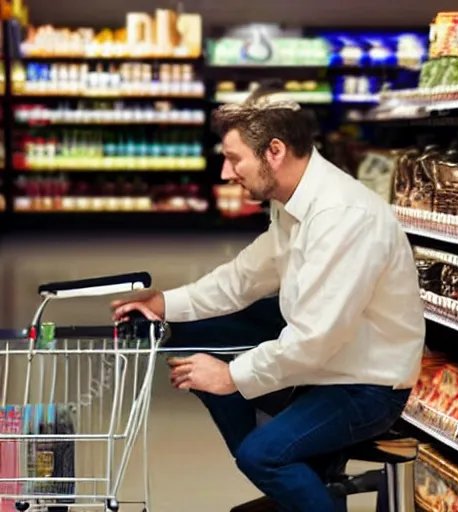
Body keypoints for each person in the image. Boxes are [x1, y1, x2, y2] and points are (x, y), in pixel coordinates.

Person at [111, 83, 426, 512]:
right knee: (191, 332)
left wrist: (231, 377)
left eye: (233, 158)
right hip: (330, 357)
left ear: (273, 151)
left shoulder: (342, 217)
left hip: (366, 383)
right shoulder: (293, 201)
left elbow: (316, 339)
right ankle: (296, 486)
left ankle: (286, 473)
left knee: (261, 455)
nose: (225, 173)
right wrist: (164, 303)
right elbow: (242, 278)